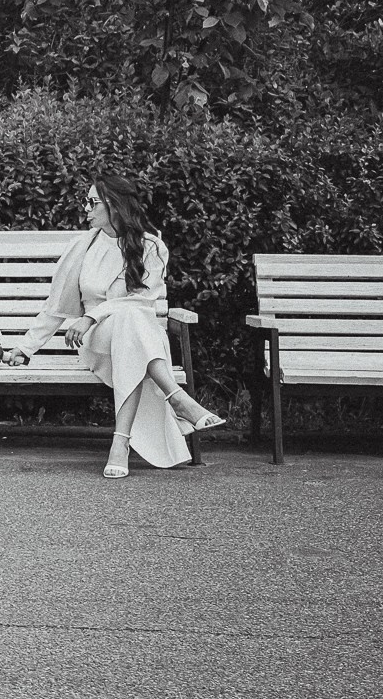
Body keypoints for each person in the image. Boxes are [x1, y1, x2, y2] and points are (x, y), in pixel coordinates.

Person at [13, 173, 227, 478]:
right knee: (131, 324)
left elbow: (142, 301)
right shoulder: (82, 246)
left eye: (92, 202)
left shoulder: (151, 247)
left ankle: (120, 442)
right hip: (97, 342)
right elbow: (56, 306)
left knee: (131, 322)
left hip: (134, 336)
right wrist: (25, 348)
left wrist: (91, 315)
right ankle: (177, 398)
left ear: (113, 204)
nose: (86, 208)